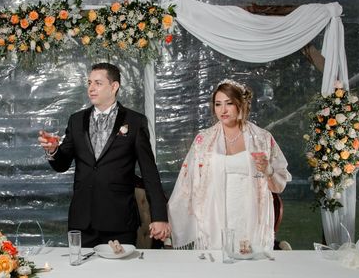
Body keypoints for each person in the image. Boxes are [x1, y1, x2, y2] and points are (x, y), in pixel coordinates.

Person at [38, 62, 170, 248]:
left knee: (119, 276)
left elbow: (149, 173)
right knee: (82, 276)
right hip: (82, 221)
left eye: (98, 83)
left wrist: (159, 217)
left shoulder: (135, 121)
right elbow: (62, 164)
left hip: (119, 220)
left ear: (114, 86)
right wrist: (53, 150)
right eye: (89, 83)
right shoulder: (76, 121)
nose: (91, 88)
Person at [167, 79, 291, 251]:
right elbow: (186, 184)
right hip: (215, 215)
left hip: (250, 213)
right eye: (218, 104)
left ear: (240, 105)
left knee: (249, 264)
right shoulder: (204, 140)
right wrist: (170, 220)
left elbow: (279, 185)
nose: (222, 110)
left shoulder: (262, 138)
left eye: (229, 103)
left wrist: (268, 170)